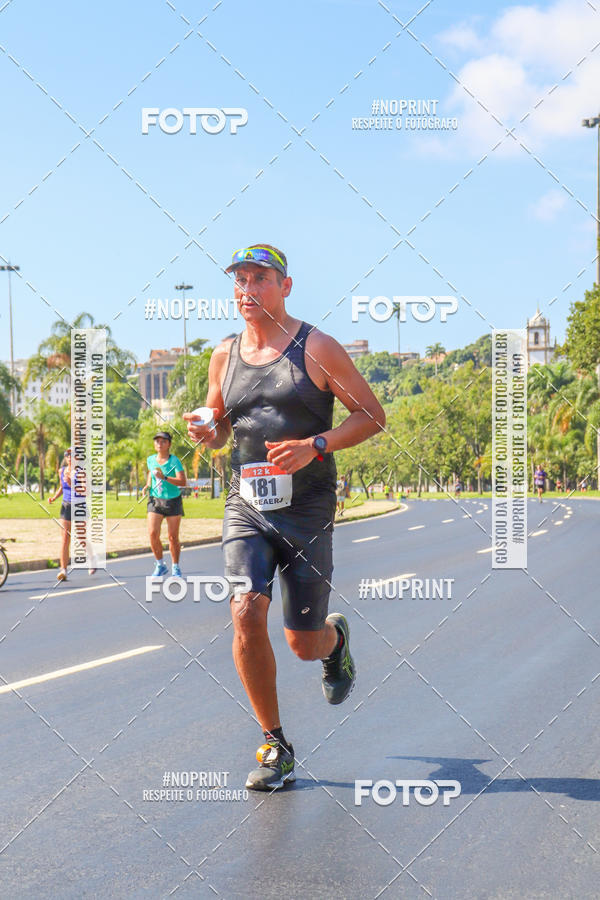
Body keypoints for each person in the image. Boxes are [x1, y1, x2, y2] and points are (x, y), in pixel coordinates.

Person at [185, 243, 385, 791]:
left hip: (308, 508)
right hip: (247, 503)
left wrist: (316, 444)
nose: (248, 289)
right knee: (245, 609)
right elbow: (223, 426)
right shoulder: (223, 355)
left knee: (302, 641)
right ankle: (275, 743)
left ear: (286, 286)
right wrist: (208, 431)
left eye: (261, 278)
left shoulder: (316, 348)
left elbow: (371, 415)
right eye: (240, 280)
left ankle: (334, 642)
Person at [141, 431, 187, 577]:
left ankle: (175, 567)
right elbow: (151, 473)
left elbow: (183, 482)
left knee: (172, 537)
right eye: (157, 441)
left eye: (163, 441)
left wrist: (165, 477)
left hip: (173, 500)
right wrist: (148, 485)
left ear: (169, 444)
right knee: (152, 533)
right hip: (155, 499)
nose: (159, 444)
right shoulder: (150, 459)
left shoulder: (174, 461)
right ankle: (160, 565)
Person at [49, 449, 97, 580]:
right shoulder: (62, 471)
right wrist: (54, 497)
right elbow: (62, 487)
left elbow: (86, 492)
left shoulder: (81, 472)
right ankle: (63, 570)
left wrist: (73, 484)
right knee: (65, 538)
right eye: (67, 455)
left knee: (81, 538)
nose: (70, 457)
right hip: (66, 506)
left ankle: (92, 558)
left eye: (73, 455)